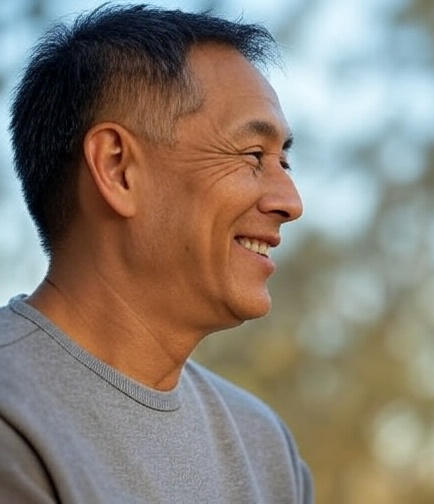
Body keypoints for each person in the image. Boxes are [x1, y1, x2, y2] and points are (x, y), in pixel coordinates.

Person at [0, 5, 312, 502]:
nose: (290, 202)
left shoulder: (263, 446)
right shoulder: (15, 420)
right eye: (253, 155)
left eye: (284, 161)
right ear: (117, 168)